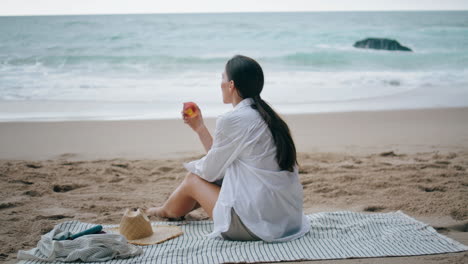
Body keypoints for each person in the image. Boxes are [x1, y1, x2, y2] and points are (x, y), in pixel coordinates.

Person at [145, 55, 310, 242]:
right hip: (287, 222)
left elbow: (210, 170)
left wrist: (195, 169)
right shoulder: (269, 117)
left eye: (222, 78)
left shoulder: (233, 119)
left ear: (231, 85)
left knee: (192, 179)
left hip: (255, 226)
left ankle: (164, 211)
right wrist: (200, 128)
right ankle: (167, 209)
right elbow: (221, 162)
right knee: (213, 179)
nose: (220, 83)